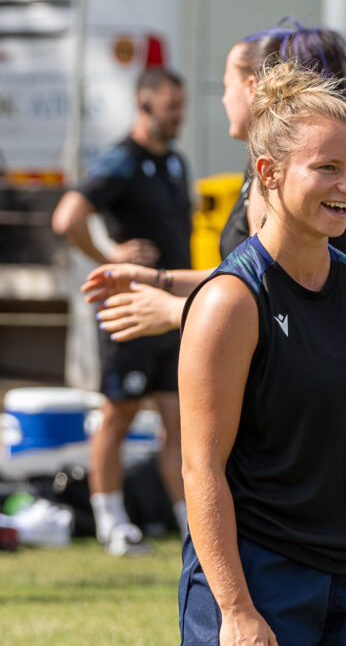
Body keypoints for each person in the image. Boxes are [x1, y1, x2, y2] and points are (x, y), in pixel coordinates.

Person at [177, 62, 346, 645]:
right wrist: (235, 608)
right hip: (260, 577)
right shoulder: (230, 301)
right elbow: (201, 467)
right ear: (268, 172)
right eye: (327, 168)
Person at [79, 20, 346, 341]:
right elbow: (247, 277)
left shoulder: (273, 179)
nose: (224, 99)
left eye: (227, 85)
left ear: (252, 87)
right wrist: (160, 280)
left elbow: (270, 296)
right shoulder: (264, 171)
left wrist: (172, 309)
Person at [51, 67, 191, 554]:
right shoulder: (122, 160)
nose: (179, 116)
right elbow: (67, 217)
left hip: (170, 313)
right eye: (171, 107)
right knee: (119, 414)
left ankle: (190, 526)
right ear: (144, 104)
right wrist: (109, 257)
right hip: (129, 313)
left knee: (181, 422)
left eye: (182, 106)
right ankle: (111, 522)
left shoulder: (175, 163)